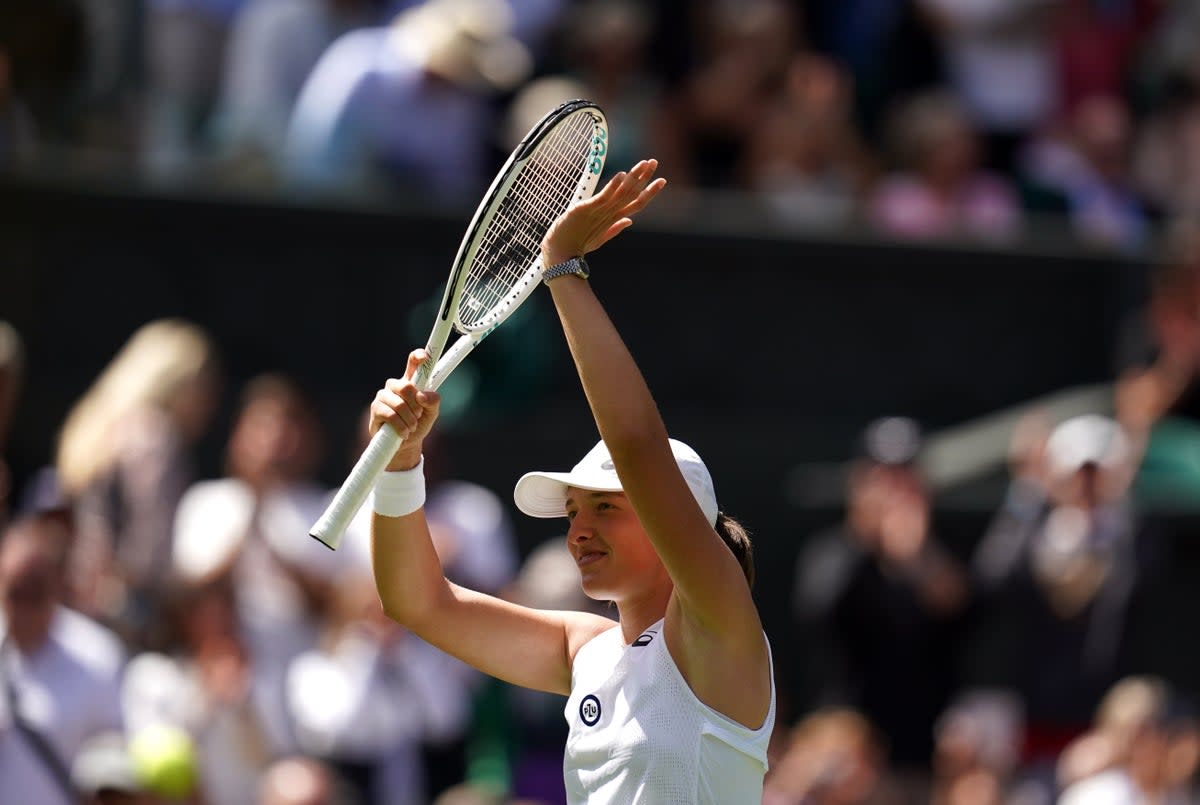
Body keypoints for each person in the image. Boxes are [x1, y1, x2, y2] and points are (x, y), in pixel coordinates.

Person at [368, 158, 776, 803]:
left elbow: (639, 450)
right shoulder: (586, 650)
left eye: (605, 508)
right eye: (574, 514)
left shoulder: (721, 626)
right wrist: (400, 464)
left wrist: (561, 270)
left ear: (677, 520)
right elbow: (416, 602)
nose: (579, 531)